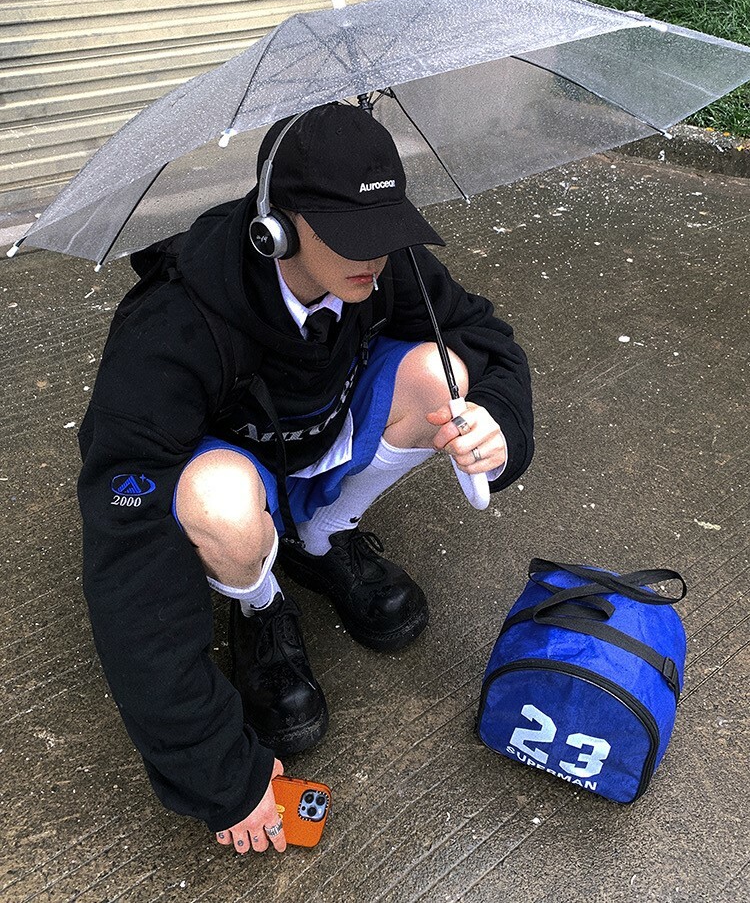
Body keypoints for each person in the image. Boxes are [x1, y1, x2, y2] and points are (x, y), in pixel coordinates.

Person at [77, 102, 533, 857]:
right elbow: (128, 544)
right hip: (237, 470)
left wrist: (499, 424)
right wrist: (220, 772)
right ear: (276, 228)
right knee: (217, 506)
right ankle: (259, 602)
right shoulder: (172, 323)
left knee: (446, 373)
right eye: (351, 233)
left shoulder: (383, 263)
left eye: (386, 228)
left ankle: (321, 539)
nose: (376, 257)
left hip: (324, 437)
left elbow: (485, 336)